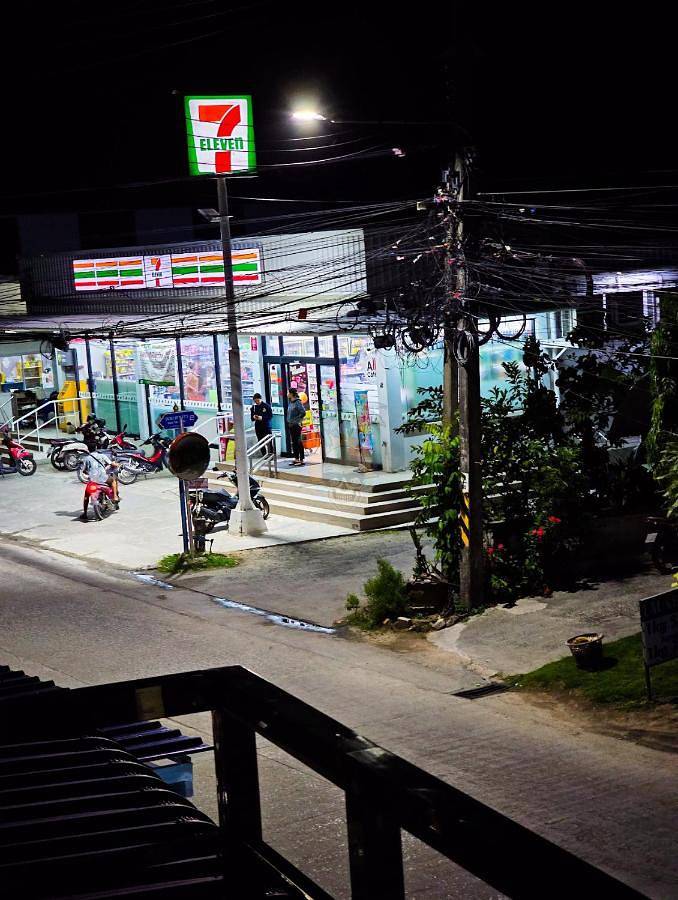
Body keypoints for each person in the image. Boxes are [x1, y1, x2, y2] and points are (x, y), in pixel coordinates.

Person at [79, 450, 120, 522]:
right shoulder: (102, 456)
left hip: (93, 480)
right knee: (114, 480)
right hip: (103, 479)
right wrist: (118, 465)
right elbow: (112, 464)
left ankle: (85, 513)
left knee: (86, 496)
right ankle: (115, 496)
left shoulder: (86, 458)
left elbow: (84, 471)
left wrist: (90, 473)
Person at [286, 388, 306, 466]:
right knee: (294, 442)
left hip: (296, 425)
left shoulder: (298, 402)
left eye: (288, 393)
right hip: (291, 425)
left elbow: (303, 412)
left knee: (298, 441)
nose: (287, 394)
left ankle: (301, 459)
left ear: (291, 394)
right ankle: (296, 458)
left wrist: (296, 420)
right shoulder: (290, 402)